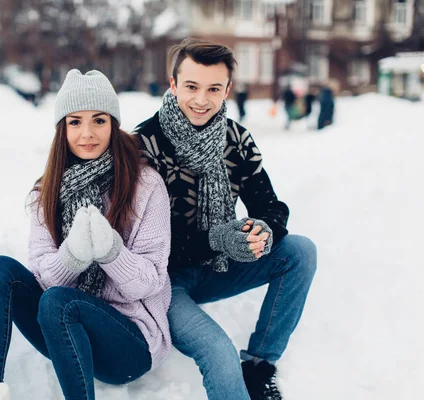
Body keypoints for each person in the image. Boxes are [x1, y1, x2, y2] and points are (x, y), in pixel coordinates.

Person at [0, 69, 173, 400]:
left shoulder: (146, 186)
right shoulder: (47, 192)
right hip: (64, 332)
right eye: (75, 122)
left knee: (59, 302)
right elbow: (43, 275)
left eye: (99, 120)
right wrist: (73, 256)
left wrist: (112, 251)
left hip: (130, 343)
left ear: (113, 124)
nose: (87, 133)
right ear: (62, 128)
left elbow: (150, 281)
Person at [133, 38, 317, 400]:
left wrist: (263, 229)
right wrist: (217, 239)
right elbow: (141, 244)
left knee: (300, 251)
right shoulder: (143, 146)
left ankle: (260, 363)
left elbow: (270, 205)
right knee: (218, 352)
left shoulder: (237, 139)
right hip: (163, 282)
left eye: (213, 88)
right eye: (191, 86)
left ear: (227, 90)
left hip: (218, 267)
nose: (201, 100)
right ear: (173, 84)